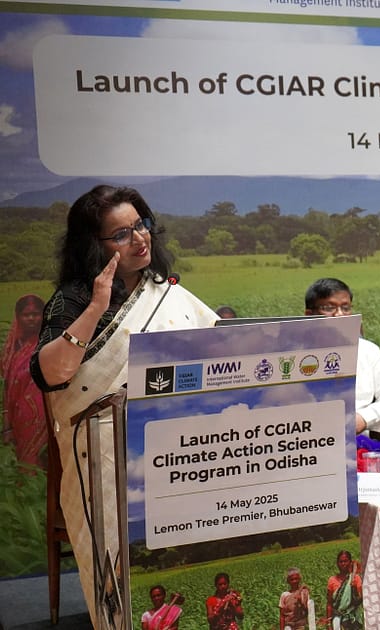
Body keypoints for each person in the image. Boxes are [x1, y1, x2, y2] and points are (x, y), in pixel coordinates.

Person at [29, 185, 218, 627]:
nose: (139, 239)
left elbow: (215, 346)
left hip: (177, 455)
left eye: (141, 225)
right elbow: (49, 375)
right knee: (118, 585)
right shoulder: (73, 299)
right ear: (93, 246)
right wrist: (97, 306)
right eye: (122, 234)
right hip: (105, 463)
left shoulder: (167, 292)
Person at [305, 279, 380, 435]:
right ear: (309, 314)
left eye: (345, 308)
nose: (339, 315)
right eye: (329, 308)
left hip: (359, 441)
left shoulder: (367, 350)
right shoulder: (294, 354)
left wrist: (364, 418)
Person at [1, 294, 46, 467]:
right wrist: (6, 426)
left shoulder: (50, 343)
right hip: (20, 418)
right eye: (26, 315)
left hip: (47, 418)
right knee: (25, 464)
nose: (31, 318)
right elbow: (7, 388)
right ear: (18, 317)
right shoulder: (13, 350)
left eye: (36, 314)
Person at [324, 550, 363, 630]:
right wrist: (328, 624)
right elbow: (329, 604)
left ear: (350, 562)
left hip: (353, 619)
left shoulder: (356, 578)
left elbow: (360, 599)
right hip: (337, 619)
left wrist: (354, 586)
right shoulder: (332, 580)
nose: (343, 564)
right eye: (340, 561)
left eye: (345, 561)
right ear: (337, 563)